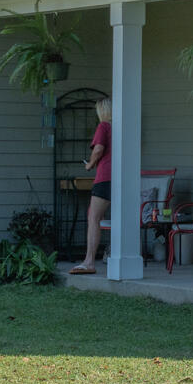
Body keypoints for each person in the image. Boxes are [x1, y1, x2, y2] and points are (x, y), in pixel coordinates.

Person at [71, 98, 113, 275]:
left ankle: (89, 262)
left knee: (93, 218)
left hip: (104, 177)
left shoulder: (104, 126)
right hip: (121, 178)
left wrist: (90, 164)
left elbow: (98, 149)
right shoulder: (121, 128)